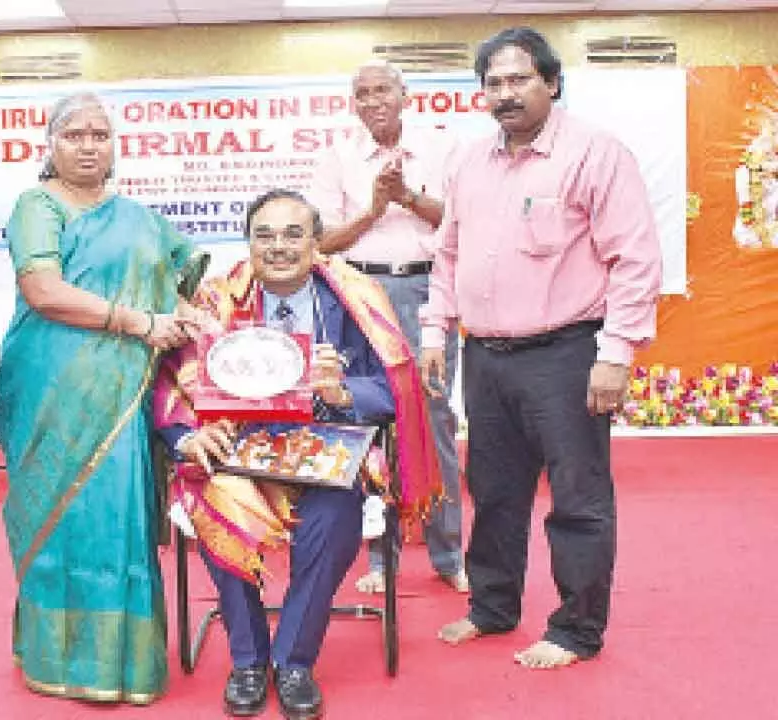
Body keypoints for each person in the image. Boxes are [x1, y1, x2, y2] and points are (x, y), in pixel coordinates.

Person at [423, 27, 663, 669]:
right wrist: (433, 328)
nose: (504, 94)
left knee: (577, 495)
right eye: (493, 83)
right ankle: (493, 607)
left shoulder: (595, 153)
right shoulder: (467, 161)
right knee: (493, 490)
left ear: (552, 83)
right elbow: (447, 253)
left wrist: (616, 353)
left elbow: (635, 259)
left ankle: (576, 629)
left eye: (518, 79)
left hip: (568, 355)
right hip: (485, 357)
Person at [154, 189, 441, 719]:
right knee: (217, 500)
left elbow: (393, 387)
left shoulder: (355, 298)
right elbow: (170, 380)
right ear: (248, 242)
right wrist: (186, 437)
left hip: (327, 449)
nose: (278, 247)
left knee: (332, 522)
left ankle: (293, 661)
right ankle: (247, 660)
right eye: (264, 235)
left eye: (293, 234)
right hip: (238, 450)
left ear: (316, 243)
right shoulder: (216, 301)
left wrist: (342, 394)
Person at [0, 92, 208, 704]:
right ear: (50, 146)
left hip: (124, 395)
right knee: (59, 519)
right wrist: (138, 322)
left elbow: (183, 273)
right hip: (52, 387)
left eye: (100, 135)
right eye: (74, 135)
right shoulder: (37, 205)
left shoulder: (138, 216)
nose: (89, 145)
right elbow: (43, 290)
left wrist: (186, 313)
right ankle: (54, 654)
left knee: (115, 516)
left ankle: (120, 664)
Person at [307, 59, 467, 596]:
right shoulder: (338, 158)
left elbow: (463, 221)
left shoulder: (442, 148)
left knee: (434, 418)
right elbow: (322, 243)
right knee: (370, 419)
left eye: (383, 91)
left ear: (405, 95)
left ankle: (449, 554)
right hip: (360, 298)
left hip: (426, 294)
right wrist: (376, 208)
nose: (373, 101)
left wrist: (409, 199)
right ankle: (381, 558)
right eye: (362, 93)